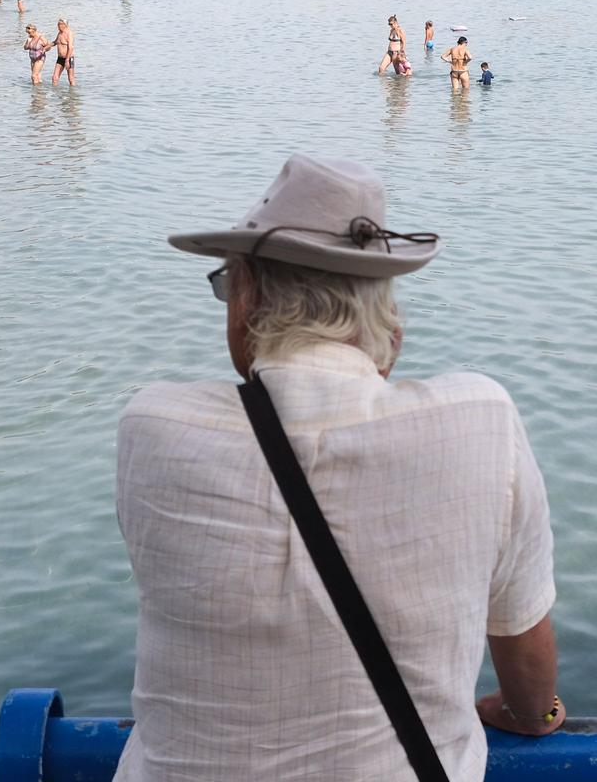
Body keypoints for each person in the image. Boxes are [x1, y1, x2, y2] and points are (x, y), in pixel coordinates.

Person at [114, 155, 562, 781]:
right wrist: (532, 714)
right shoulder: (480, 418)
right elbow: (521, 638)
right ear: (387, 319)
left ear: (245, 302)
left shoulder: (154, 428)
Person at [51, 17, 76, 87]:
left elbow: (70, 47)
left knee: (71, 79)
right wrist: (46, 47)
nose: (59, 26)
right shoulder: (59, 33)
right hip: (60, 58)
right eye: (58, 24)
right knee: (54, 78)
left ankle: (72, 96)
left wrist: (67, 60)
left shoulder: (69, 33)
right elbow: (55, 42)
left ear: (65, 25)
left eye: (61, 24)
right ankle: (56, 95)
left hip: (69, 58)